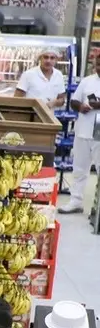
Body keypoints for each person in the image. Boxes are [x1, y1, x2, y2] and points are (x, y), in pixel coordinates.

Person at [62, 59, 100, 214]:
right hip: (83, 129)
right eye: (98, 65)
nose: (99, 68)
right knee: (79, 168)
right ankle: (75, 201)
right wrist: (81, 106)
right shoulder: (87, 81)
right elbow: (74, 102)